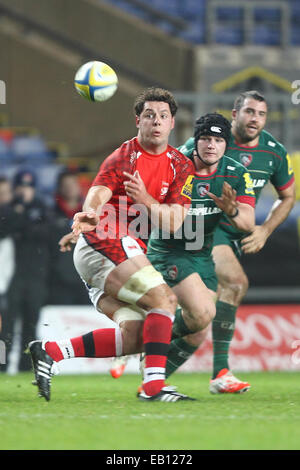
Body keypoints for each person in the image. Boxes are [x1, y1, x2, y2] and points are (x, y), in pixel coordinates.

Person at [29, 87, 196, 402]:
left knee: (137, 334)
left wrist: (145, 199)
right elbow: (98, 192)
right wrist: (88, 214)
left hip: (120, 254)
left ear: (172, 124)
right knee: (165, 301)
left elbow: (174, 222)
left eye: (163, 116)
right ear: (138, 121)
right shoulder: (124, 156)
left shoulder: (181, 166)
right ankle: (154, 387)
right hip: (103, 241)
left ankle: (50, 352)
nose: (156, 122)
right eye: (149, 115)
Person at [176, 90, 295, 393]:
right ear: (235, 114)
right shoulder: (212, 142)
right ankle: (220, 373)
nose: (255, 119)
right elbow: (171, 168)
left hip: (236, 232)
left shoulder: (274, 152)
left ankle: (151, 363)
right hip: (206, 226)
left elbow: (287, 196)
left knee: (200, 319)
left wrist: (266, 230)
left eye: (261, 114)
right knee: (235, 282)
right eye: (249, 112)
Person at [1, 170, 51, 372]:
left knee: (31, 326)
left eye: (28, 187)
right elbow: (5, 228)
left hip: (35, 276)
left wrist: (22, 222)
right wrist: (21, 213)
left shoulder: (42, 208)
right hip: (13, 276)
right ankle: (1, 366)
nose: (24, 191)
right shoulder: (8, 209)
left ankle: (26, 366)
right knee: (6, 328)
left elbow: (49, 233)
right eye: (21, 187)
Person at [48, 170, 89, 305]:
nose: (70, 188)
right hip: (59, 283)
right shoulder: (50, 216)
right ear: (60, 188)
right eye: (66, 185)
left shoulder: (91, 214)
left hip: (87, 280)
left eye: (73, 184)